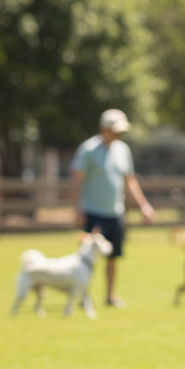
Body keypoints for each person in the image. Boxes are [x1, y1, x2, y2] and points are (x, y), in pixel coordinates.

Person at [71, 108, 155, 307]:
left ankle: (110, 296)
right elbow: (77, 180)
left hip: (115, 212)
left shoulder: (123, 150)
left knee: (113, 257)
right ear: (104, 129)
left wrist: (144, 206)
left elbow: (130, 181)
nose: (118, 135)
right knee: (86, 258)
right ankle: (84, 297)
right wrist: (77, 208)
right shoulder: (88, 149)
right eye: (115, 131)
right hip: (92, 211)